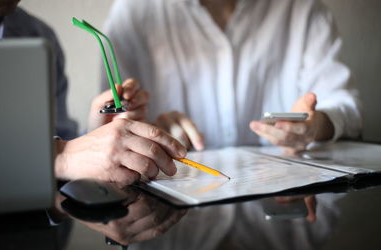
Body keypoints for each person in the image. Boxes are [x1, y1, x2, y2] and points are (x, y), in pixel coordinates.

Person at [101, 0, 362, 154]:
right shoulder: (134, 12)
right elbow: (108, 126)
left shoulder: (302, 9)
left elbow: (346, 109)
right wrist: (145, 135)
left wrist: (315, 127)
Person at [0, 0, 187, 186]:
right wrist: (60, 157)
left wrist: (99, 139)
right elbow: (60, 156)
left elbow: (60, 144)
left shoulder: (37, 36)